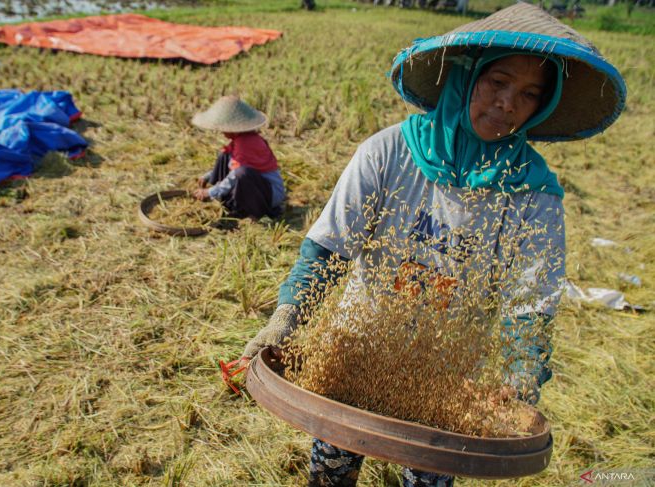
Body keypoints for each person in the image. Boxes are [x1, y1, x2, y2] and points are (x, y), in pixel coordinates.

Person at [240, 3, 625, 486]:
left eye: (529, 94)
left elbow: (530, 306)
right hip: (356, 345)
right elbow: (329, 250)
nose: (509, 103)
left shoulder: (532, 193)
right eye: (497, 82)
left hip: (447, 373)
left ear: (543, 106)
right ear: (465, 78)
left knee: (429, 477)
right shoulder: (388, 153)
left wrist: (520, 382)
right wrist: (288, 317)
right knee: (332, 468)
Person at [191, 95, 285, 220]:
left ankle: (254, 211)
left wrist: (210, 192)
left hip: (269, 194)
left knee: (242, 172)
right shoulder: (240, 139)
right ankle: (221, 196)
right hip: (257, 185)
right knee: (224, 155)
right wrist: (207, 176)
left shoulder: (245, 144)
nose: (222, 132)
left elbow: (236, 175)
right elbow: (230, 163)